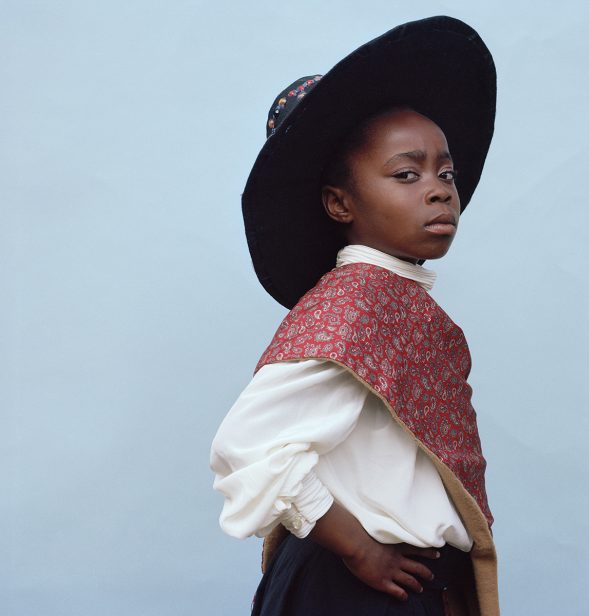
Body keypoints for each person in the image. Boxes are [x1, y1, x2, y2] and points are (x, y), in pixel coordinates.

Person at [210, 16, 499, 616]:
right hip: (355, 588)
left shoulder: (395, 299)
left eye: (446, 172)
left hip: (407, 584)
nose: (441, 190)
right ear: (340, 202)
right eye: (406, 174)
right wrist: (359, 549)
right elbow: (247, 446)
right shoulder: (358, 302)